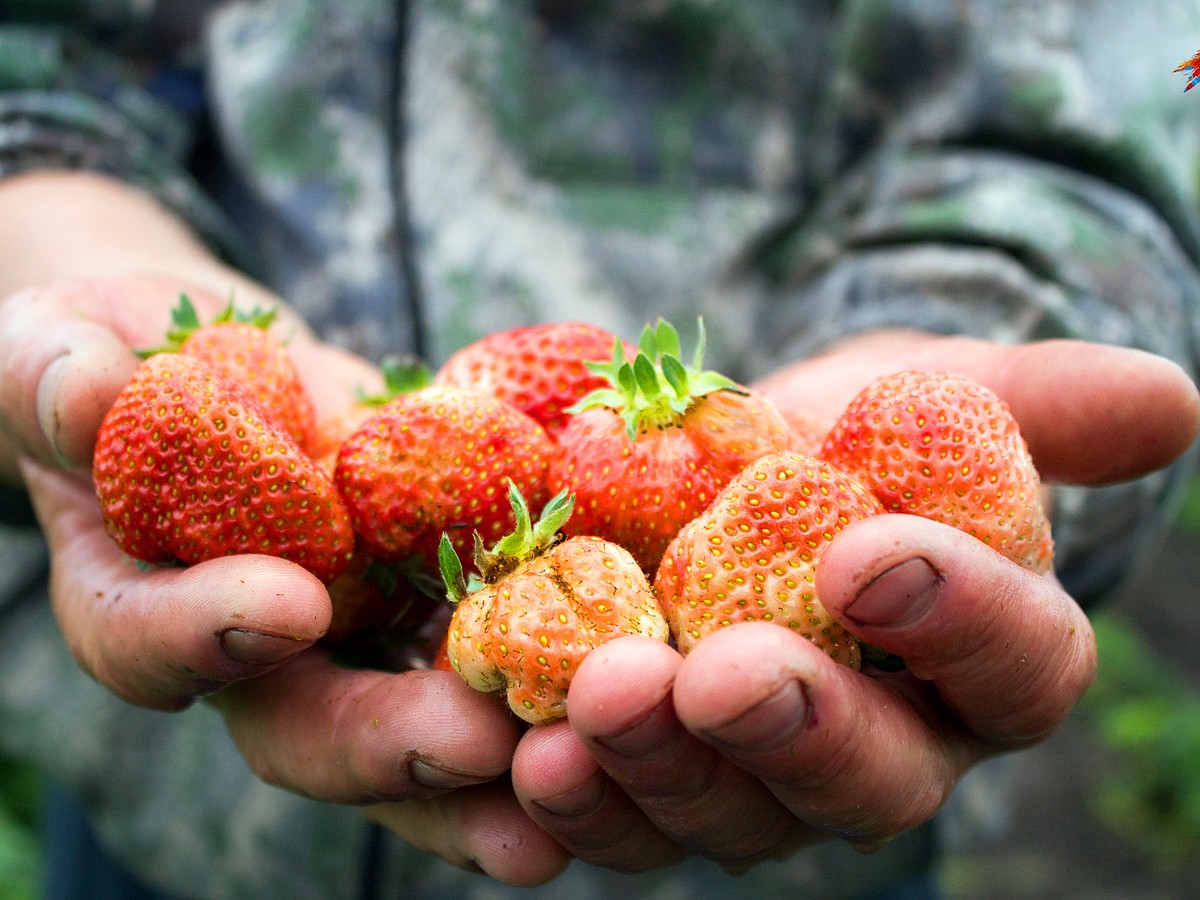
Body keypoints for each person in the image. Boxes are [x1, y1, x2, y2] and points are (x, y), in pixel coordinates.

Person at [1, 2, 1198, 899]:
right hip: (181, 823)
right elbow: (43, 64)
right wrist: (52, 264)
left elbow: (1068, 141)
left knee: (742, 677)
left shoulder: (706, 479)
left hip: (796, 846)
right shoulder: (440, 470)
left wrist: (965, 355)